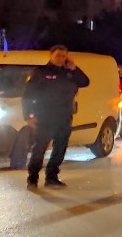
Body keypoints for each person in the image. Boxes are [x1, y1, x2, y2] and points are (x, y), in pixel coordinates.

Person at [23, 46, 90, 188]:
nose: (61, 58)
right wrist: (28, 115)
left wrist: (74, 68)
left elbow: (85, 82)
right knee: (39, 148)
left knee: (60, 149)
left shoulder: (69, 73)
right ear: (51, 56)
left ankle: (52, 177)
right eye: (58, 55)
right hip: (44, 116)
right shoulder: (41, 72)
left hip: (64, 117)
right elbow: (28, 95)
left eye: (64, 56)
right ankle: (32, 178)